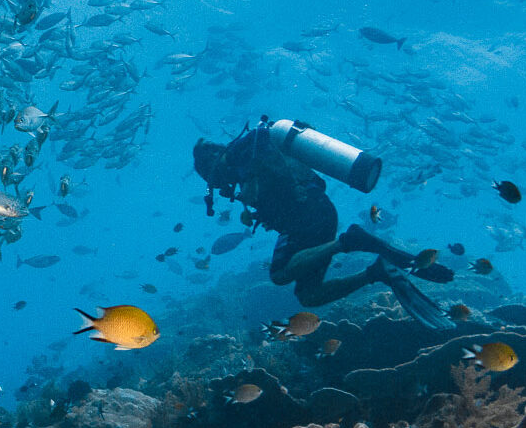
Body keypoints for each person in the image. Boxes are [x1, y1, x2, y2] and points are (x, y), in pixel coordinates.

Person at [193, 119, 452, 328]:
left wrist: (249, 187)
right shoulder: (250, 148)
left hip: (307, 216)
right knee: (309, 295)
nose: (218, 186)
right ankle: (377, 272)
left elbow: (266, 175)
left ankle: (348, 241)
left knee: (280, 274)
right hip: (315, 214)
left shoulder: (243, 150)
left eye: (211, 178)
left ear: (213, 162)